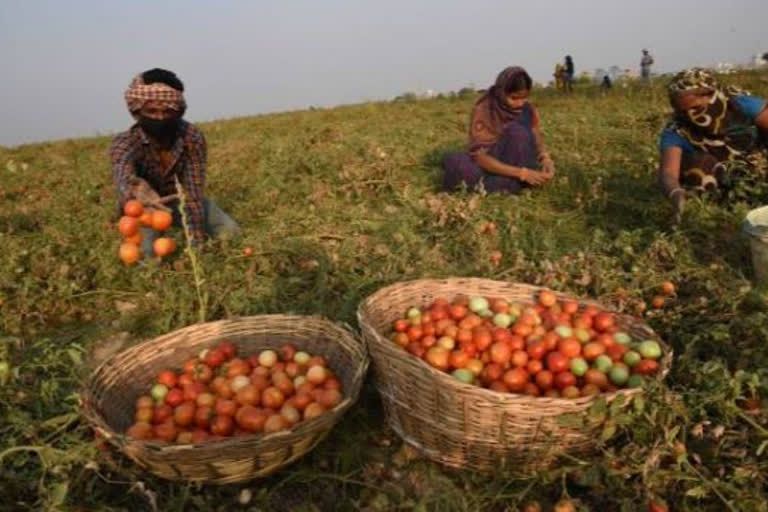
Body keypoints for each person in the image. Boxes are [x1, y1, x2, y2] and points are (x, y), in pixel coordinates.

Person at [111, 68, 239, 255]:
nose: (160, 117)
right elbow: (123, 174)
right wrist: (137, 191)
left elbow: (193, 192)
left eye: (167, 111)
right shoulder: (125, 142)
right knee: (146, 258)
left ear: (178, 111)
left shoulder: (191, 138)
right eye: (152, 111)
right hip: (145, 207)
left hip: (180, 199)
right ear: (138, 112)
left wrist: (197, 243)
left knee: (231, 232)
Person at [657, 68, 768, 223]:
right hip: (723, 175)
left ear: (710, 96)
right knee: (696, 168)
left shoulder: (738, 104)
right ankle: (723, 208)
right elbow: (668, 173)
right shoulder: (676, 129)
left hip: (760, 162)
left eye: (696, 108)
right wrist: (675, 192)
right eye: (683, 111)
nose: (691, 115)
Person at [441, 66, 555, 195]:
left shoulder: (527, 109)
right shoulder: (485, 109)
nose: (520, 103)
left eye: (524, 97)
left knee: (518, 134)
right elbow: (480, 157)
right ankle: (513, 184)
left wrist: (545, 158)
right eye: (514, 98)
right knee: (457, 164)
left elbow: (535, 133)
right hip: (492, 163)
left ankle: (506, 185)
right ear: (502, 92)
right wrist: (521, 173)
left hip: (520, 159)